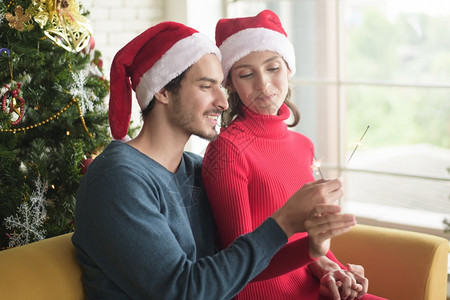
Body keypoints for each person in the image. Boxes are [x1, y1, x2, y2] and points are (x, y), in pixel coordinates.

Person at [72, 21, 356, 299]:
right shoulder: (116, 180)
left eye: (222, 86)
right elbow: (183, 291)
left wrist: (312, 251)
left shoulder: (195, 169)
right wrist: (283, 223)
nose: (223, 102)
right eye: (207, 87)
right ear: (162, 90)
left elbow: (234, 269)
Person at [202, 10, 386, 300]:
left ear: (288, 68)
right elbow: (238, 266)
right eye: (246, 74)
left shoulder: (303, 145)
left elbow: (306, 237)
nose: (263, 84)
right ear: (230, 84)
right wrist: (314, 251)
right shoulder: (227, 150)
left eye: (272, 68)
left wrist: (334, 271)